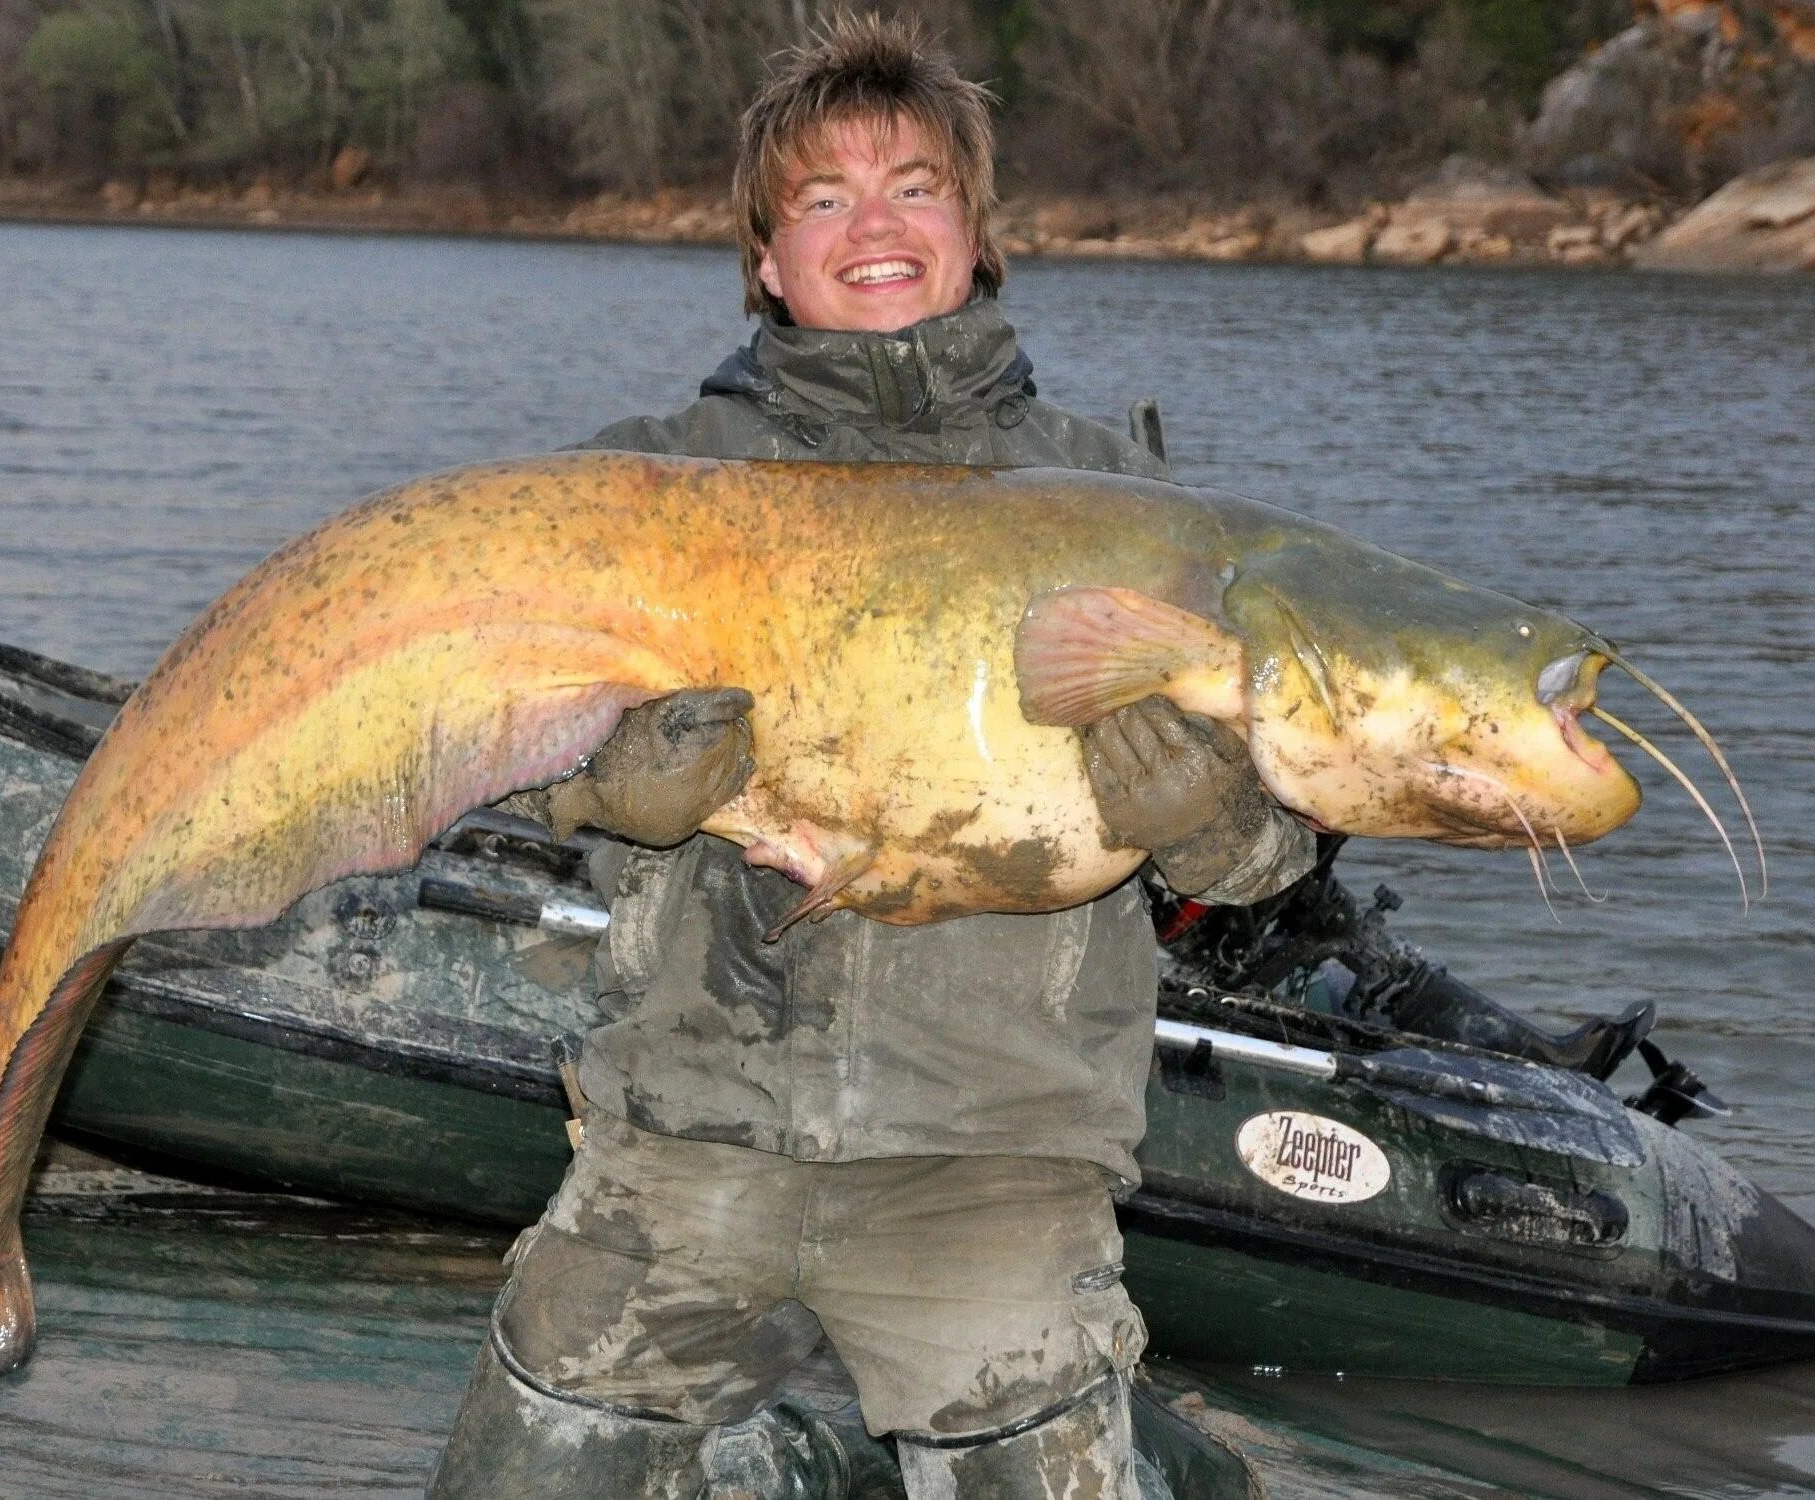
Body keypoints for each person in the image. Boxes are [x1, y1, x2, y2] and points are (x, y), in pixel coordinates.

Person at [430, 17, 1313, 1498]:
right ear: (766, 260)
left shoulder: (1129, 505)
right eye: (821, 199)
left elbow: (1285, 836)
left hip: (996, 1160)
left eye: (915, 184)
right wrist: (601, 792)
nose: (876, 225)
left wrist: (1212, 819)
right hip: (684, 1135)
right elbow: (483, 740)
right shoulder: (644, 483)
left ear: (977, 233)